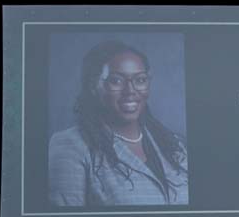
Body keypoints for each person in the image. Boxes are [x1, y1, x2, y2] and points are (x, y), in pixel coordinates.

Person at [49, 39, 188, 207]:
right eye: (116, 81)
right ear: (93, 86)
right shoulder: (71, 146)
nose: (130, 91)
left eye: (140, 80)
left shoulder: (173, 145)